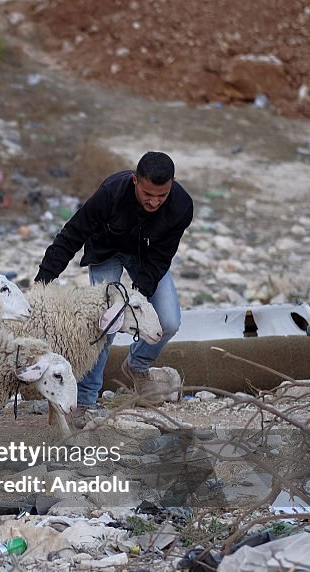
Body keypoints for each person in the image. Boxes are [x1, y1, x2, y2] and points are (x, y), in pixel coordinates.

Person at [34, 151, 193, 420]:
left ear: (172, 185)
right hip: (107, 253)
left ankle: (138, 366)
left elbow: (162, 258)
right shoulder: (110, 193)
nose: (154, 202)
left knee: (168, 321)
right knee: (105, 325)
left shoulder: (181, 206)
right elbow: (71, 235)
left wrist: (137, 295)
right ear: (135, 181)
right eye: (147, 194)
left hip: (148, 260)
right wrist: (42, 282)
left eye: (161, 196)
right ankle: (85, 400)